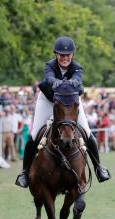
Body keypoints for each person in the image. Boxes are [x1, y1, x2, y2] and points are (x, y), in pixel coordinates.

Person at [15, 36, 110, 188]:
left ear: (72, 55)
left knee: (88, 133)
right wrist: (56, 82)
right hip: (48, 100)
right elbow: (49, 78)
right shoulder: (50, 65)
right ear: (56, 54)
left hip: (70, 104)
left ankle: (98, 168)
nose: (65, 58)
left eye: (68, 55)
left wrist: (74, 82)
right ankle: (25, 173)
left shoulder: (77, 67)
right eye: (61, 55)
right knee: (34, 135)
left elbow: (78, 78)